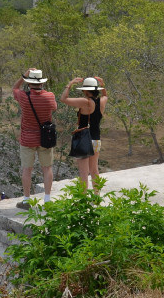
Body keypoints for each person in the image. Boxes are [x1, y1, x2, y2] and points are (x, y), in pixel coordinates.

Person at [12, 68, 57, 203]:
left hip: (27, 138)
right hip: (45, 138)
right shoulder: (49, 96)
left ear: (28, 83)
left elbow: (15, 88)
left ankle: (26, 199)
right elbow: (54, 108)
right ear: (42, 83)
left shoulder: (24, 97)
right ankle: (47, 198)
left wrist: (23, 75)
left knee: (27, 169)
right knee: (47, 168)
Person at [60, 76, 107, 190]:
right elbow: (105, 95)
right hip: (96, 139)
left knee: (83, 173)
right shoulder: (102, 101)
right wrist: (102, 85)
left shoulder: (85, 102)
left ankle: (83, 200)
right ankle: (97, 197)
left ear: (85, 90)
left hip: (84, 140)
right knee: (94, 170)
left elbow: (63, 99)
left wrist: (69, 84)